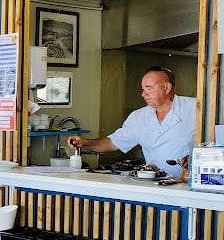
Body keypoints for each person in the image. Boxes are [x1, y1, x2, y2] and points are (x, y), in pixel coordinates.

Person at [67, 66, 196, 178]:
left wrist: (198, 158)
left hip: (188, 184)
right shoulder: (139, 117)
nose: (143, 94)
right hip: (155, 185)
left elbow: (214, 140)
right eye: (143, 89)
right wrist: (84, 143)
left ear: (167, 88)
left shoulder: (195, 108)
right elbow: (112, 143)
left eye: (149, 88)